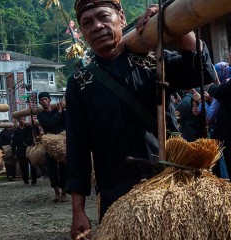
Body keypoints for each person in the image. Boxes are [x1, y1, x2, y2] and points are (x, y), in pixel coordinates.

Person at [65, 1, 215, 239]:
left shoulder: (152, 60)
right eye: (87, 22)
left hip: (169, 186)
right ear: (82, 33)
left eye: (103, 17)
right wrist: (78, 211)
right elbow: (78, 151)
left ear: (121, 18)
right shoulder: (80, 83)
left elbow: (200, 71)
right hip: (117, 196)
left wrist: (168, 21)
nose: (96, 26)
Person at [37, 92, 67, 202]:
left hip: (61, 141)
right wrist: (59, 113)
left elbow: (66, 122)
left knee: (64, 166)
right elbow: (50, 124)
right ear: (40, 103)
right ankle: (56, 192)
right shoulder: (41, 116)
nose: (44, 101)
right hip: (50, 142)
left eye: (45, 99)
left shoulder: (59, 110)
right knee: (52, 167)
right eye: (42, 100)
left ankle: (64, 192)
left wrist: (61, 111)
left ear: (49, 100)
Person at [12, 117, 38, 185]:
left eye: (23, 119)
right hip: (21, 152)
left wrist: (34, 123)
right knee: (23, 167)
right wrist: (14, 153)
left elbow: (36, 132)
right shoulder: (16, 131)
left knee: (33, 166)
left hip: (30, 150)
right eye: (20, 119)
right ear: (18, 120)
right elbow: (14, 143)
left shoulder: (28, 128)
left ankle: (34, 181)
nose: (22, 120)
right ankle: (25, 181)